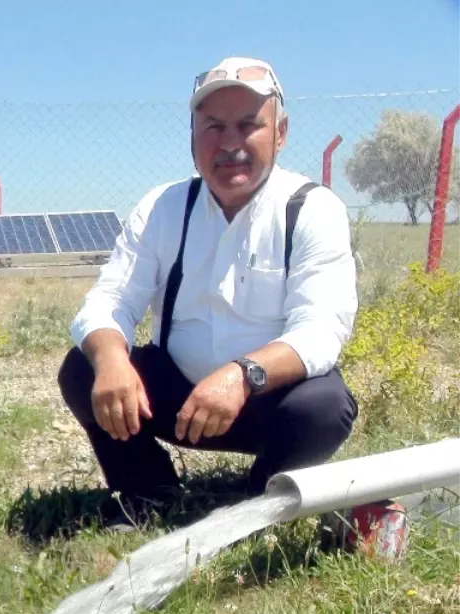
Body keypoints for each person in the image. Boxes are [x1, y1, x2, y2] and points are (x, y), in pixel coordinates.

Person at [59, 57, 359, 523]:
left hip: (266, 402)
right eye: (213, 127)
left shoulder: (312, 209)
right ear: (193, 137)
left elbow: (321, 332)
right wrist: (113, 359)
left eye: (248, 125)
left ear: (280, 133)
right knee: (84, 366)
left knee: (324, 406)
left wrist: (243, 376)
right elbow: (110, 301)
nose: (230, 144)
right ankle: (149, 491)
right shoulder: (163, 207)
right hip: (176, 399)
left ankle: (266, 498)